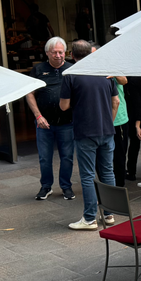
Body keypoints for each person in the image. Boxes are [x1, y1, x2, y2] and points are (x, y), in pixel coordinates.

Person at [60, 40, 119, 229]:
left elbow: (64, 106)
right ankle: (109, 214)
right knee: (108, 172)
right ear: (92, 53)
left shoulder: (71, 75)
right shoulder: (105, 74)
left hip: (85, 131)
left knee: (87, 176)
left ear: (72, 55)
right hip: (107, 130)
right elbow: (116, 101)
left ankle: (89, 218)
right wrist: (109, 121)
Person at [25, 37, 75, 201]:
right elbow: (29, 93)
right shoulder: (38, 70)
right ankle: (46, 187)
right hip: (43, 123)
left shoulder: (71, 69)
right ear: (47, 53)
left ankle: (66, 187)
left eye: (61, 52)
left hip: (67, 122)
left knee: (67, 157)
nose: (59, 55)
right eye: (55, 52)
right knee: (45, 157)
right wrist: (38, 116)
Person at [111, 76, 131, 187]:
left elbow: (124, 80)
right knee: (101, 159)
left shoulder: (114, 66)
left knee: (119, 156)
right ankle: (107, 189)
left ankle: (119, 188)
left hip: (118, 120)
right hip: (100, 120)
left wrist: (112, 73)